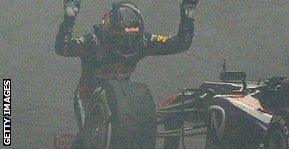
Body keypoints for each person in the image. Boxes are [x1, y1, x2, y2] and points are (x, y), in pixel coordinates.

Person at [54, 0, 198, 147]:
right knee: (89, 137)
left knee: (131, 137)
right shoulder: (93, 41)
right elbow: (63, 48)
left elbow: (180, 44)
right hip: (88, 96)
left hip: (120, 98)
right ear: (111, 31)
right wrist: (69, 19)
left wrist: (188, 18)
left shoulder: (142, 41)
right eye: (123, 38)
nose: (128, 44)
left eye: (132, 39)